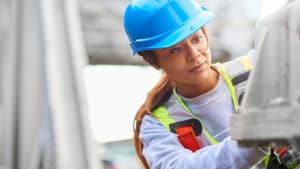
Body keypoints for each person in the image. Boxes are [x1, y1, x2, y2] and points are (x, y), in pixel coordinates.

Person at [123, 0, 265, 168]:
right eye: (176, 50)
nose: (194, 54)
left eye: (197, 39)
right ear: (153, 60)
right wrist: (257, 138)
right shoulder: (156, 125)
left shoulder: (258, 66)